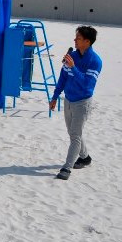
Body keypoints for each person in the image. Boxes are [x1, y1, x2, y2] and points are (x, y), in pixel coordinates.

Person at [49, 26, 102, 181]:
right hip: (68, 100)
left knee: (75, 135)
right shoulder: (72, 55)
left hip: (82, 103)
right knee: (73, 133)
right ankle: (85, 157)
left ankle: (67, 168)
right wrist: (55, 96)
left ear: (87, 41)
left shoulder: (95, 61)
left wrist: (73, 67)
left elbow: (86, 85)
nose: (75, 40)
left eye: (78, 38)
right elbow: (63, 78)